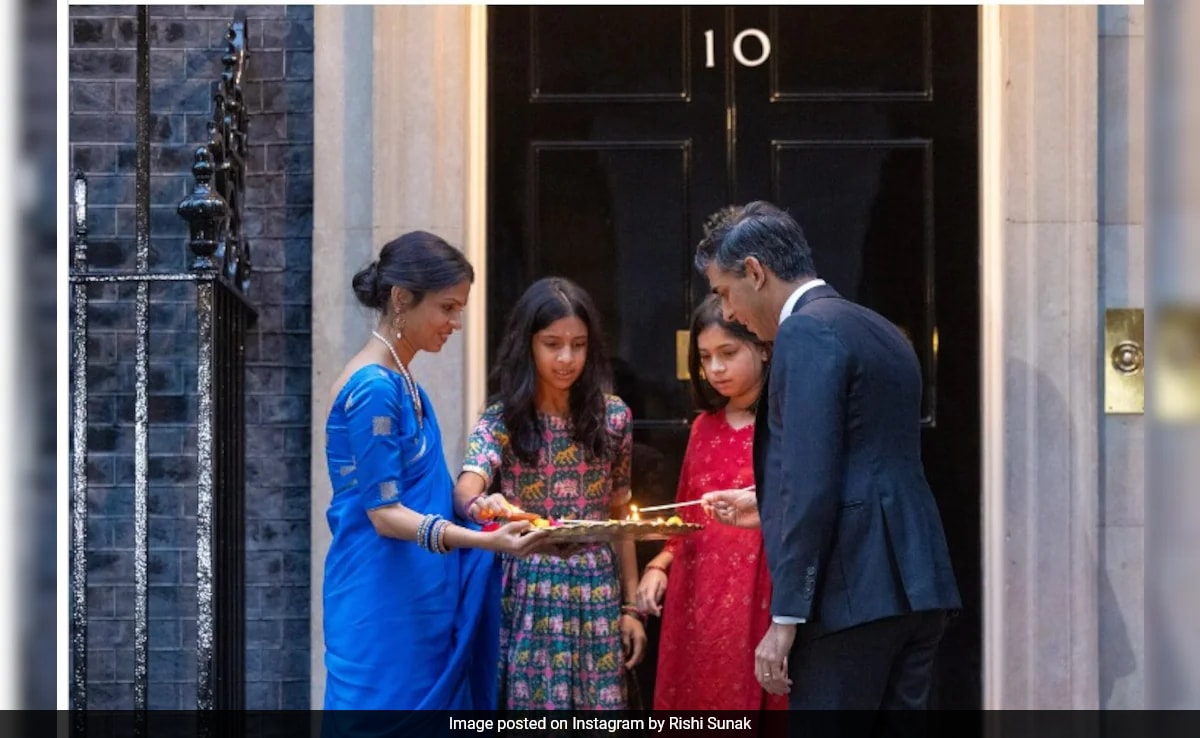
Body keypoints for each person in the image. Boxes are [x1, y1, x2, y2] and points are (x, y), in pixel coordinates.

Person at [695, 202, 961, 715]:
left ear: (755, 271)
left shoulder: (804, 331)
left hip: (849, 598)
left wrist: (785, 617)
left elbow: (810, 481)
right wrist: (766, 503)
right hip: (918, 588)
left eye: (725, 293)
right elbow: (864, 458)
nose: (728, 313)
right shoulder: (878, 328)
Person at [320, 231, 546, 713]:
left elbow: (431, 491)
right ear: (402, 299)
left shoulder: (404, 383)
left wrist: (480, 506)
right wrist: (486, 542)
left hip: (417, 597)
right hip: (383, 605)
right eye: (447, 307)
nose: (457, 322)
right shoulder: (374, 388)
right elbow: (384, 515)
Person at [455, 276, 648, 710]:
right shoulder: (502, 418)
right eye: (552, 344)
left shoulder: (613, 417)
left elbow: (621, 517)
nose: (567, 358)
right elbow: (467, 485)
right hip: (528, 587)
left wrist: (631, 608)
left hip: (596, 586)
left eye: (578, 345)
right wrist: (482, 503)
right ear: (528, 345)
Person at [634, 295, 788, 712]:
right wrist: (659, 564)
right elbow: (686, 513)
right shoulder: (704, 427)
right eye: (705, 357)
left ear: (761, 347)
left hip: (763, 587)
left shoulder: (785, 423)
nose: (716, 368)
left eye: (728, 353)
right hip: (698, 593)